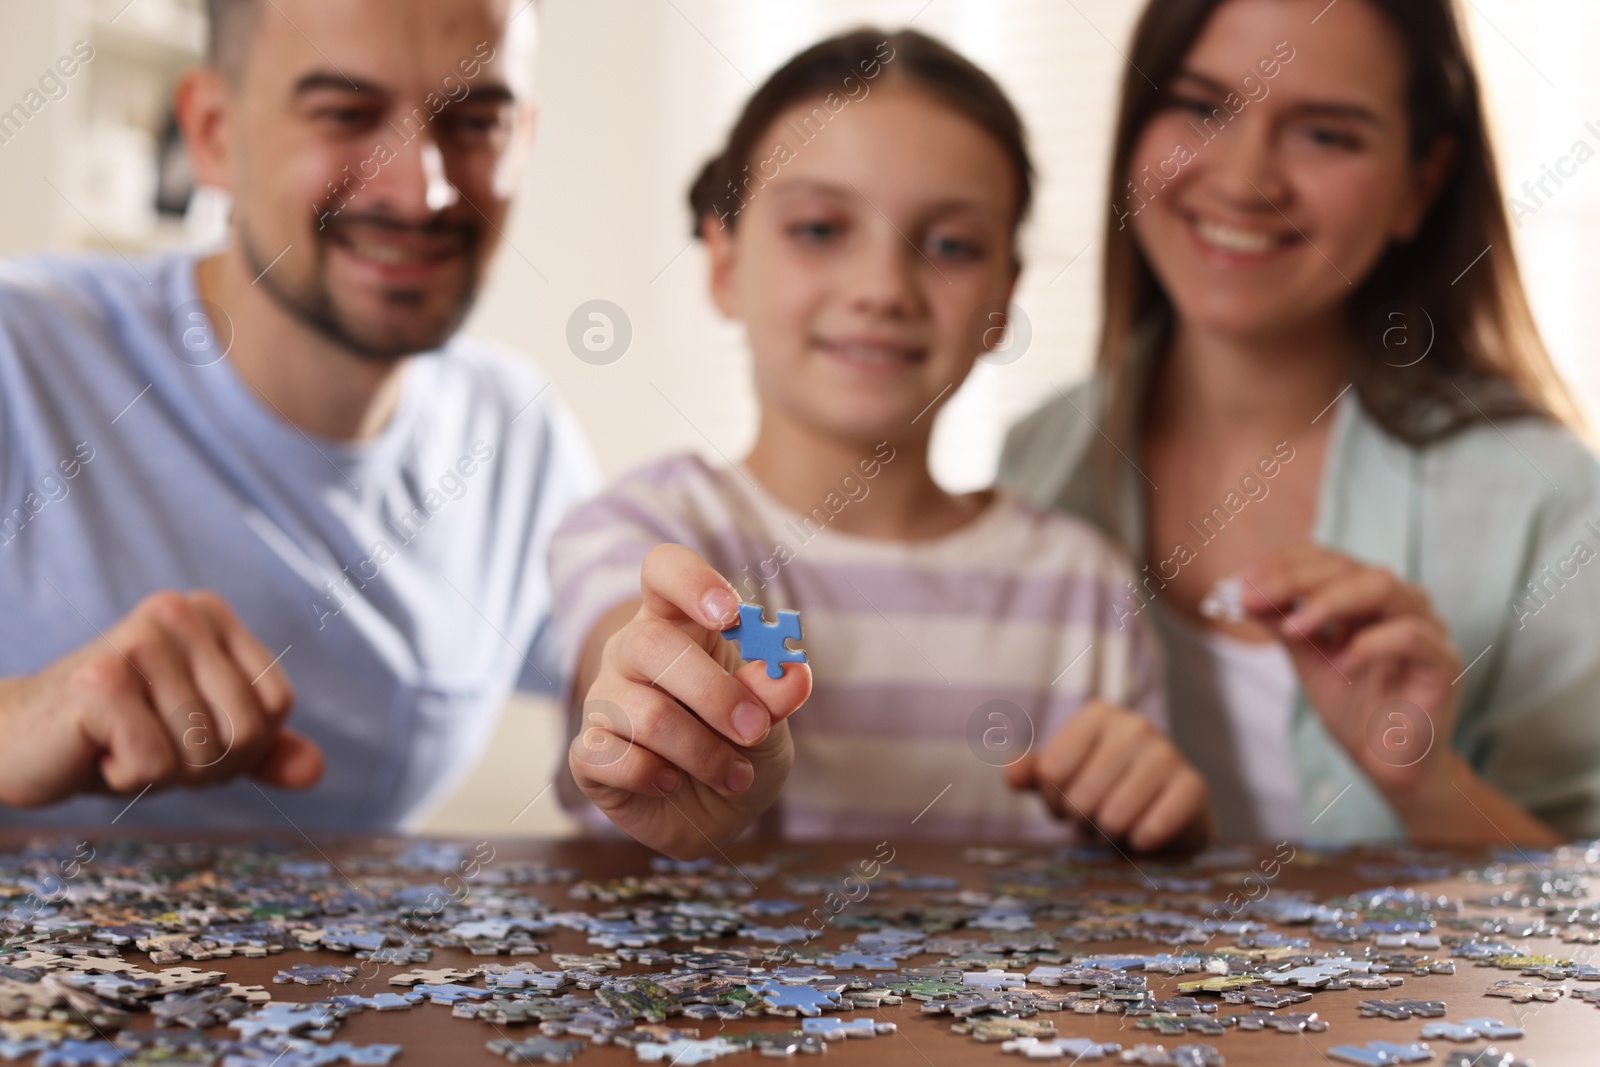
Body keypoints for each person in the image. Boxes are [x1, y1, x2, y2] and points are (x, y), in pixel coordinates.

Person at [549, 30, 1211, 862]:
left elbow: (1136, 844)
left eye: (950, 246)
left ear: (1004, 298)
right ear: (723, 261)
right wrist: (658, 700)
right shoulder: (647, 530)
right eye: (821, 228)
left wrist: (1165, 828)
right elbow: (620, 646)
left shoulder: (1087, 588)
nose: (883, 289)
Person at [1001, 0, 1600, 844]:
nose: (1246, 180)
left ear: (1419, 185)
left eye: (1327, 134)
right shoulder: (1036, 461)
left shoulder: (1550, 501)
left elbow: (1583, 930)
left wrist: (1426, 784)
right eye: (1202, 106)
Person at [0, 0, 596, 829]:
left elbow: (623, 661)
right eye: (347, 114)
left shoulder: (514, 427)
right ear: (212, 132)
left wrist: (696, 724)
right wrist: (13, 720)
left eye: (475, 121)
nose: (421, 189)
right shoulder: (19, 350)